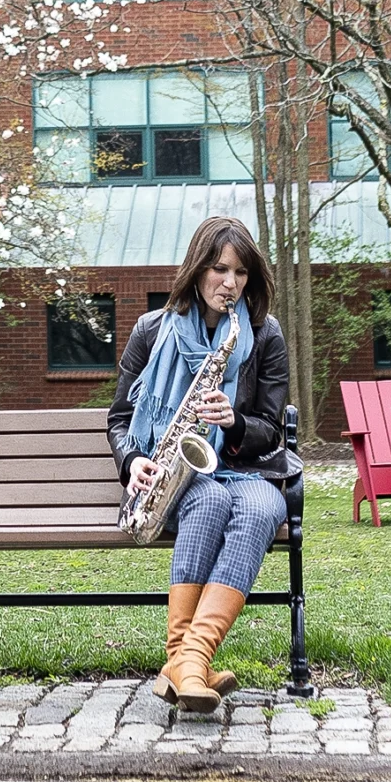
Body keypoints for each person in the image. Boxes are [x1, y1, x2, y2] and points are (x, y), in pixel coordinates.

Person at [107, 214, 296, 713]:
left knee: (260, 508)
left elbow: (269, 429)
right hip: (178, 474)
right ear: (196, 271)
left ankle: (189, 658)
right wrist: (132, 462)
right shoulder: (152, 330)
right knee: (208, 498)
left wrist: (234, 422)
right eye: (218, 270)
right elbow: (121, 418)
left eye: (239, 273)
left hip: (248, 469)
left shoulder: (264, 334)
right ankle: (187, 663)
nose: (229, 283)